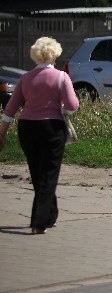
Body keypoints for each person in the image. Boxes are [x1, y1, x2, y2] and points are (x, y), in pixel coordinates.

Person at [0, 37, 79, 235]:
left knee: (38, 174)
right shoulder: (61, 77)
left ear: (36, 56)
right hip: (52, 128)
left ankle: (50, 214)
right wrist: (61, 108)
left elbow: (10, 109)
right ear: (54, 56)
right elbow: (72, 105)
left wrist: (2, 133)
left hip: (27, 129)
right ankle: (39, 222)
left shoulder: (25, 78)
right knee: (49, 174)